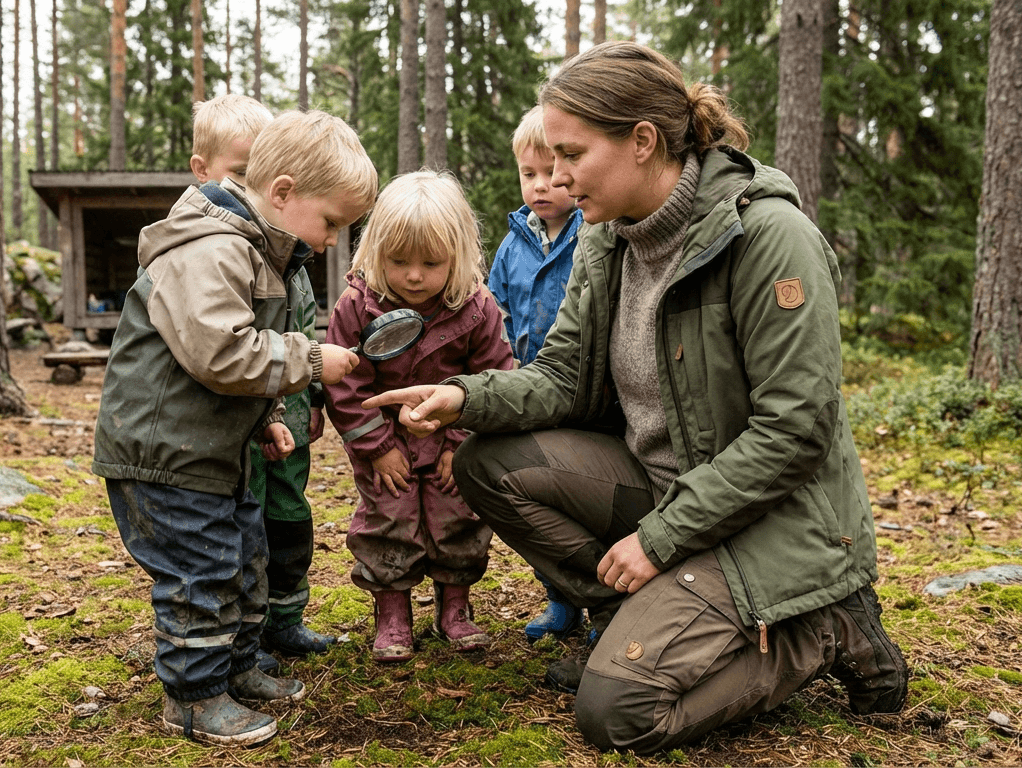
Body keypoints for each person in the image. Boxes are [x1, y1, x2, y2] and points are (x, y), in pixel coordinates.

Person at [363, 42, 908, 754]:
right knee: (485, 463)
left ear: (642, 142)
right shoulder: (607, 239)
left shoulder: (770, 238)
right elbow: (563, 377)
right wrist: (464, 397)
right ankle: (637, 613)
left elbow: (794, 433)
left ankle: (825, 628)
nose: (554, 176)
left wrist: (660, 540)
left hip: (769, 525)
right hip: (663, 491)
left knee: (620, 712)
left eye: (571, 154)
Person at [92, 110, 377, 747]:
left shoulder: (260, 252)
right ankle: (193, 696)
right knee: (202, 572)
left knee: (246, 556)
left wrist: (270, 417)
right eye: (331, 221)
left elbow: (241, 362)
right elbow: (220, 354)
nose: (332, 240)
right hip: (165, 454)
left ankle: (239, 668)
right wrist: (307, 360)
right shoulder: (211, 250)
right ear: (281, 193)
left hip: (218, 451)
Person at [323, 170, 516, 662]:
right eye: (398, 261)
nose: (413, 276)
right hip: (386, 446)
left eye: (431, 263)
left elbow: (494, 377)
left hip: (451, 439)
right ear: (374, 251)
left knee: (458, 519)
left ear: (459, 255)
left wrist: (462, 446)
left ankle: (455, 606)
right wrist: (377, 447)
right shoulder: (357, 307)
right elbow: (346, 384)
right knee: (389, 519)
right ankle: (392, 613)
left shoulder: (475, 307)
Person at [188, 94, 339, 671]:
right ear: (203, 172)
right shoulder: (219, 254)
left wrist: (314, 397)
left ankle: (286, 618)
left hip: (288, 419)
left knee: (289, 516)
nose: (253, 187)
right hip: (238, 427)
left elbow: (305, 329)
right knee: (244, 528)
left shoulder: (289, 258)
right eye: (241, 173)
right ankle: (238, 639)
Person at [489, 105, 587, 643]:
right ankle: (558, 598)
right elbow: (494, 310)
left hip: (578, 391)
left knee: (577, 498)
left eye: (552, 173)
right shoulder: (513, 243)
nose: (541, 186)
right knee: (539, 497)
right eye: (529, 174)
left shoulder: (590, 234)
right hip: (525, 387)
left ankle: (602, 608)